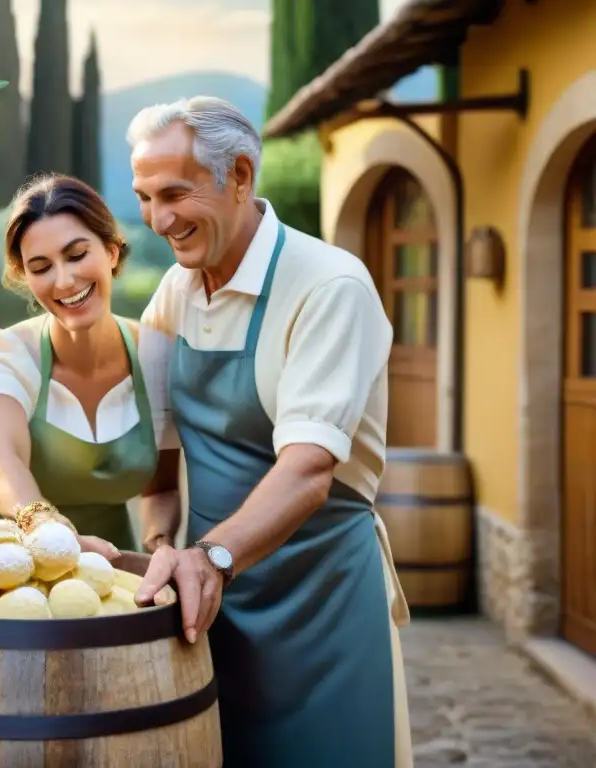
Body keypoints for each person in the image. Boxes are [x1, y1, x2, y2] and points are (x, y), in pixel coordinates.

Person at [127, 96, 413, 767]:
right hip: (208, 600)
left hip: (320, 599)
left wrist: (213, 557)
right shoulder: (175, 290)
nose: (158, 219)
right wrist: (163, 546)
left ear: (241, 175)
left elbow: (310, 470)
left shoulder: (328, 287)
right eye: (144, 197)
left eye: (174, 192)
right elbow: (158, 450)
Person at [0, 174, 182, 555]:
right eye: (41, 268)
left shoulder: (158, 358)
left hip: (103, 557)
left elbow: (163, 487)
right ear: (26, 277)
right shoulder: (2, 354)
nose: (64, 281)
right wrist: (46, 529)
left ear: (111, 252)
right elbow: (2, 462)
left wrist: (159, 546)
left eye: (76, 255)